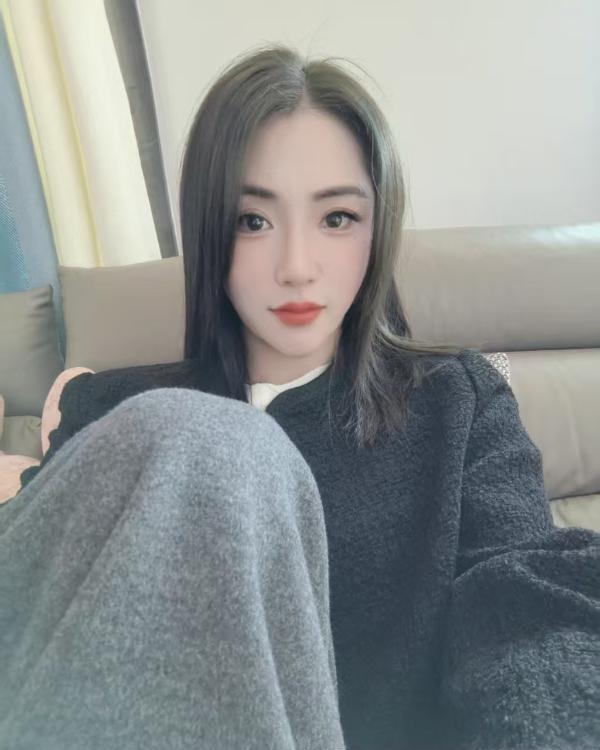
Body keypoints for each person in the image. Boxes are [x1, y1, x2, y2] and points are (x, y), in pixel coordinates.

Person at [1, 43, 599, 750]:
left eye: (336, 218)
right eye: (252, 221)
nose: (295, 267)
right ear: (207, 229)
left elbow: (522, 606)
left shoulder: (456, 405)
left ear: (378, 229)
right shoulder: (110, 409)